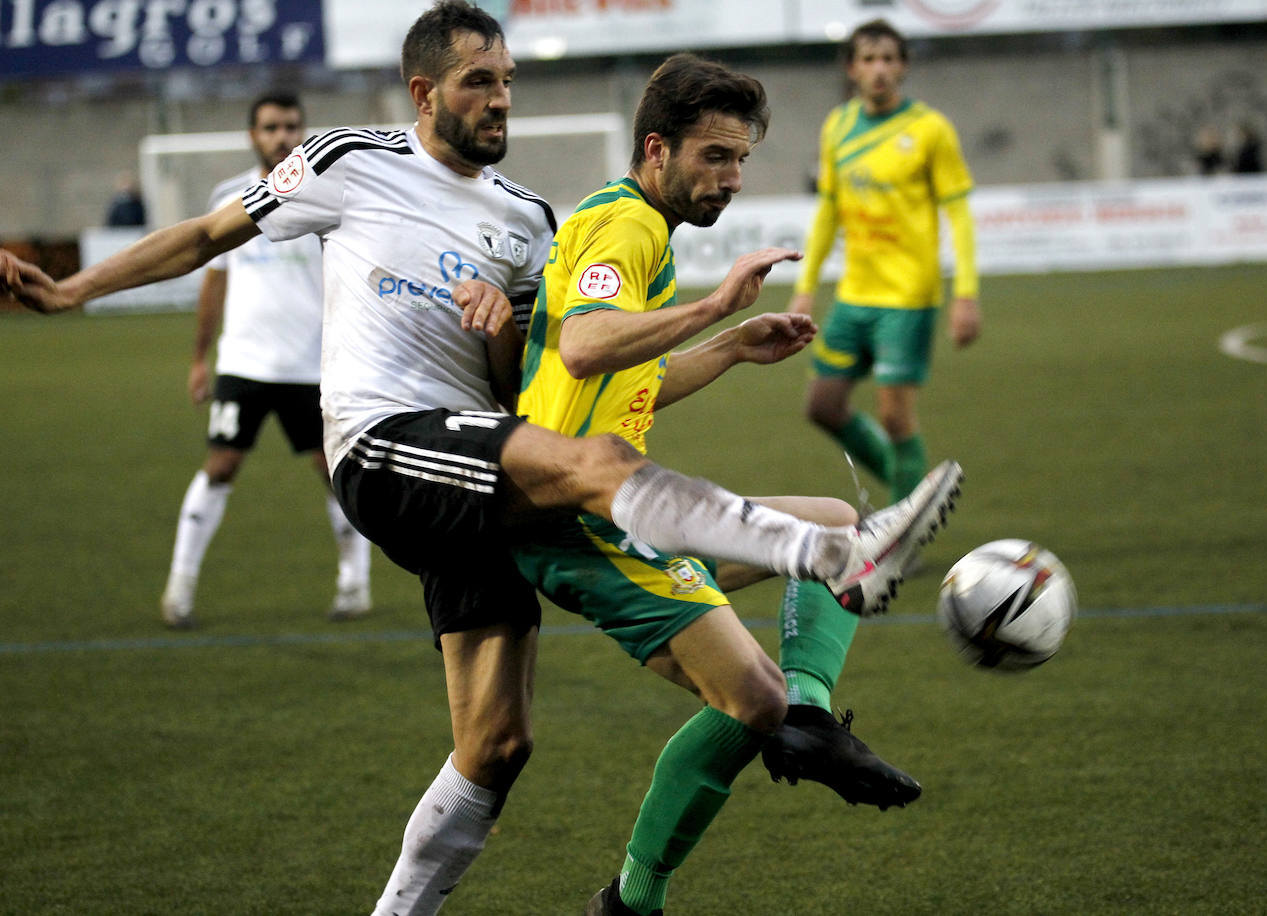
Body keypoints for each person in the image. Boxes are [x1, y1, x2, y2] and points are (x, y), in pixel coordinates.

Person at [0, 4, 959, 913]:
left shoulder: (531, 221)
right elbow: (208, 236)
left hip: (480, 470)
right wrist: (73, 289)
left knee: (496, 743)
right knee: (597, 469)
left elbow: (540, 382)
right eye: (477, 82)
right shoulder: (349, 160)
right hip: (384, 442)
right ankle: (833, 554)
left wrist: (523, 332)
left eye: (505, 80)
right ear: (423, 94)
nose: (499, 98)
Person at [513, 54, 961, 916]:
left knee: (831, 528)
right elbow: (586, 345)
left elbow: (622, 379)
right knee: (753, 698)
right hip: (583, 520)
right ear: (656, 148)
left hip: (606, 497)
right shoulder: (629, 229)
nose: (732, 178)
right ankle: (636, 897)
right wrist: (716, 306)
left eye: (742, 159)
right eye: (714, 157)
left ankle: (808, 719)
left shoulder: (633, 222)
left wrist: (730, 348)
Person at [159, 90, 373, 629]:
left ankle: (355, 584)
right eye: (271, 127)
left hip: (312, 366)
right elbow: (215, 282)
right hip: (244, 364)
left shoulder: (327, 196)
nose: (282, 136)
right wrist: (199, 358)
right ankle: (180, 587)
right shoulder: (229, 196)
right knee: (220, 465)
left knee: (334, 472)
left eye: (291, 126)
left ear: (303, 130)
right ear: (252, 134)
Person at [788, 18, 981, 515]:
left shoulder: (929, 129)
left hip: (908, 297)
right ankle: (915, 497)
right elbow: (829, 210)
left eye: (889, 59)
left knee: (896, 417)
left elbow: (958, 213)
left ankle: (901, 533)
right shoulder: (838, 126)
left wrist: (966, 293)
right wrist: (805, 287)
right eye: (869, 59)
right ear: (852, 68)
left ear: (904, 67)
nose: (879, 70)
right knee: (822, 406)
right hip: (855, 294)